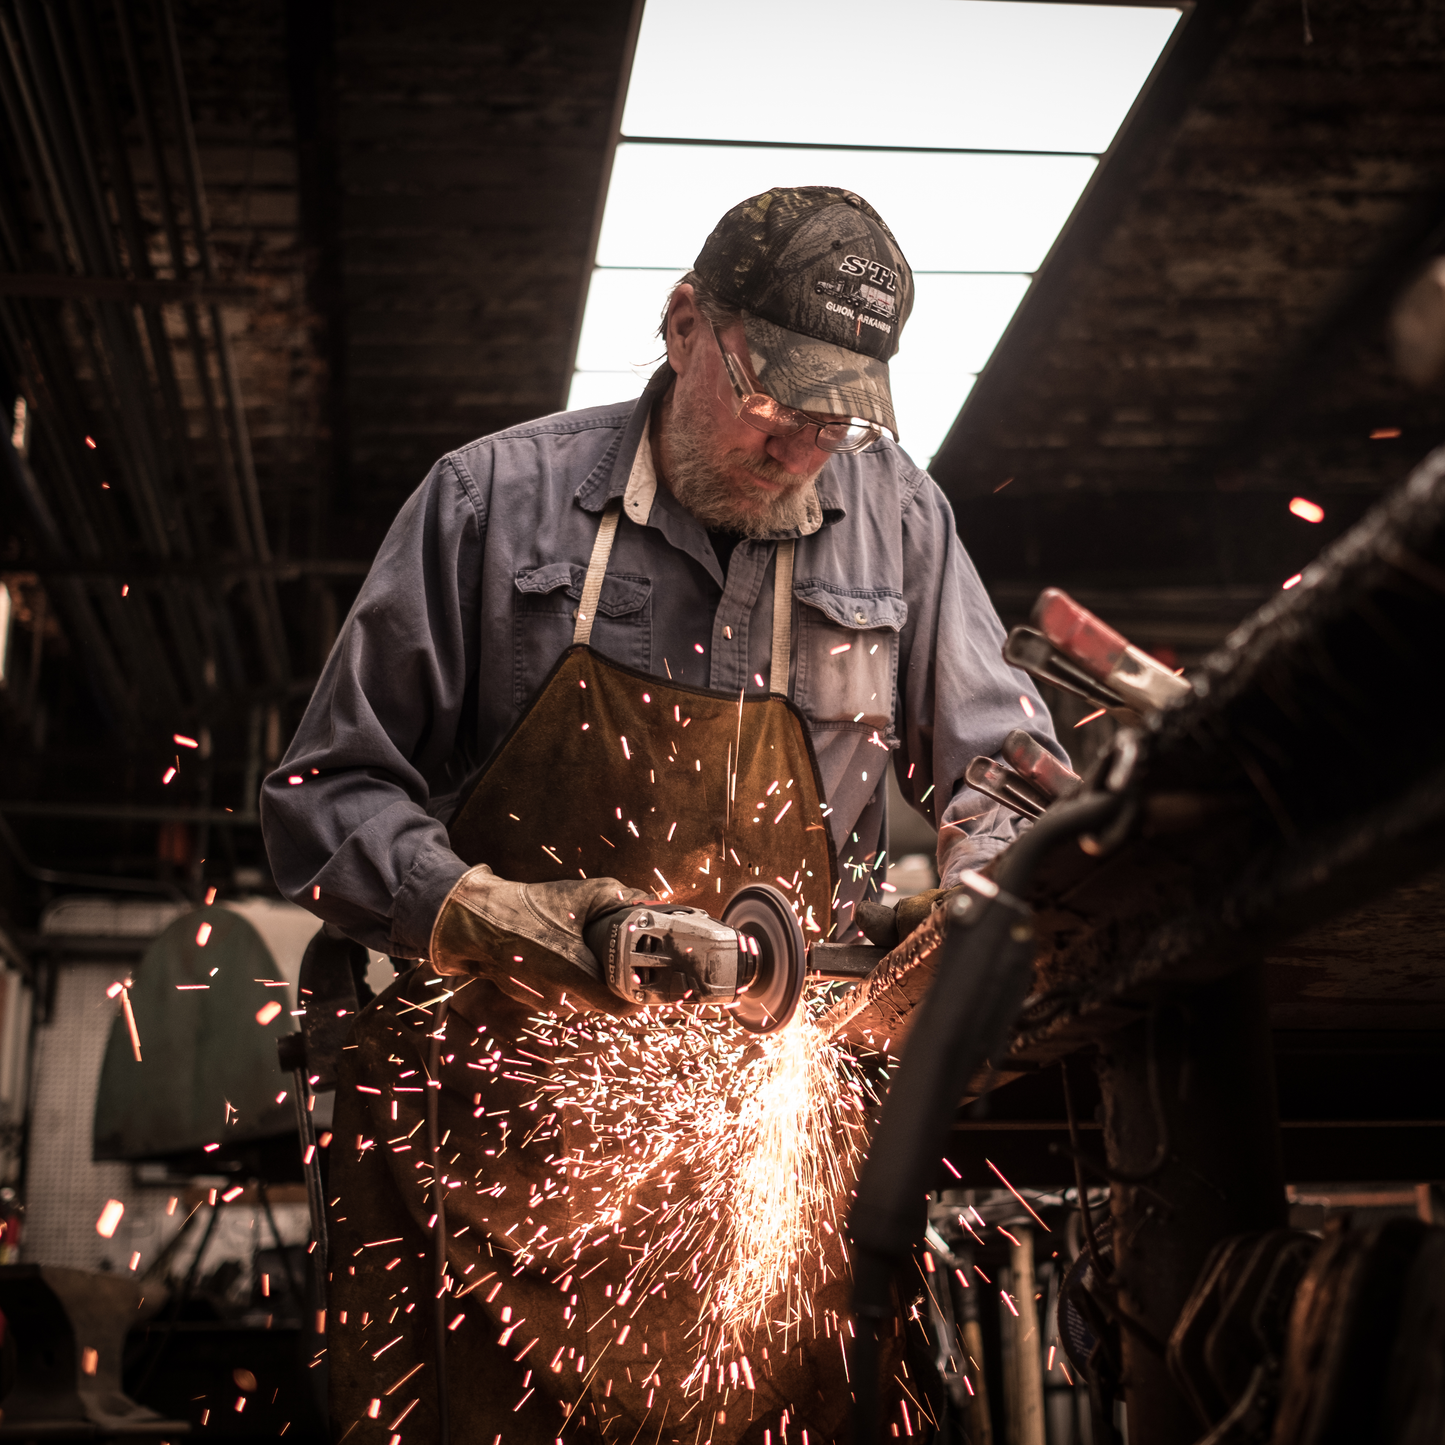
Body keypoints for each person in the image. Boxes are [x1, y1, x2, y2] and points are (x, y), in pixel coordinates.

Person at [262, 186, 1064, 1445]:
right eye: (774, 396)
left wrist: (977, 892)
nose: (801, 445)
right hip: (496, 1161)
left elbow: (1006, 773)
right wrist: (485, 911)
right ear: (684, 320)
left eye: (835, 417)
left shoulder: (900, 518)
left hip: (769, 1152)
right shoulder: (488, 500)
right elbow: (322, 796)